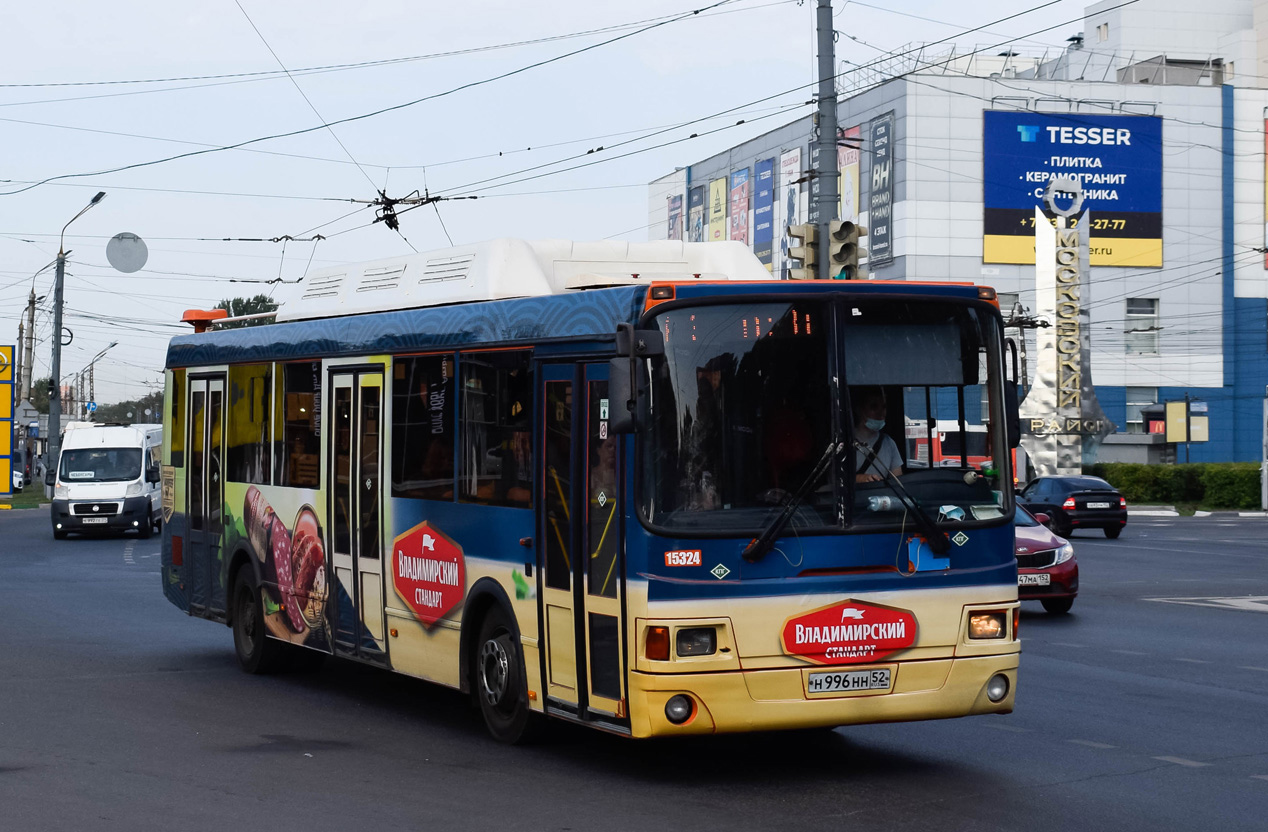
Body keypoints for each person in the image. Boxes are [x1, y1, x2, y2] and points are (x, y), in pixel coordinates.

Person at [851, 386, 902, 483]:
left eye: (884, 407)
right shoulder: (844, 443)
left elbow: (898, 481)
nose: (881, 413)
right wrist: (861, 479)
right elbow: (836, 481)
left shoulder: (889, 443)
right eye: (874, 407)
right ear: (859, 410)